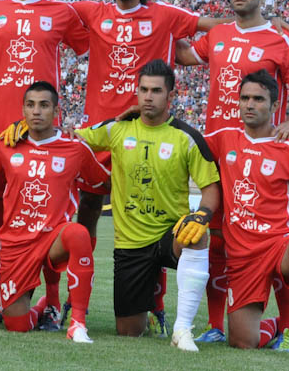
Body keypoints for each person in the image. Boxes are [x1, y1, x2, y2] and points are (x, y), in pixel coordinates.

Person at [176, 0, 289, 345]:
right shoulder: (218, 33)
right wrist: (181, 24)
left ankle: (286, 326)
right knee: (215, 238)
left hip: (262, 151)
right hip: (217, 151)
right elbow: (184, 56)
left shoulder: (280, 39)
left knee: (277, 237)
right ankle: (217, 325)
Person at [0, 0, 89, 326]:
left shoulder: (62, 12)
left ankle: (52, 303)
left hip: (42, 133)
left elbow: (93, 48)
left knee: (49, 220)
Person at [76, 60, 221, 351]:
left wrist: (202, 215)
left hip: (169, 234)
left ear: (170, 96)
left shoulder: (187, 137)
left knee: (197, 235)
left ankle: (182, 329)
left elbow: (211, 190)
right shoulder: (117, 129)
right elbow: (71, 139)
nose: (148, 97)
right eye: (143, 90)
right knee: (128, 332)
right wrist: (23, 128)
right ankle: (153, 308)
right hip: (130, 243)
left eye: (156, 91)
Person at [204, 70, 289, 364]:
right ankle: (281, 326)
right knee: (242, 342)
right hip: (243, 254)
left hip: (279, 243)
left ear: (274, 106)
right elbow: (184, 141)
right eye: (245, 98)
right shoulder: (224, 138)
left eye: (258, 99)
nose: (249, 104)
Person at [0, 81, 109, 343]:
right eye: (31, 105)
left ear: (56, 110)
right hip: (16, 243)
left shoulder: (75, 149)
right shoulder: (7, 144)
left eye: (44, 105)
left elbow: (106, 181)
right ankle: (43, 306)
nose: (36, 111)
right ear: (22, 110)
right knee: (16, 324)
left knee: (78, 233)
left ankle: (77, 322)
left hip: (53, 237)